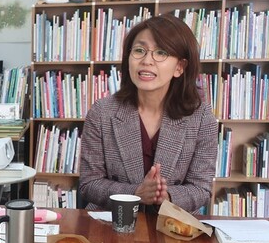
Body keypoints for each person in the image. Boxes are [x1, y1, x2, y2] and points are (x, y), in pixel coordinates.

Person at [79, 14, 217, 214]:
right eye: (139, 50)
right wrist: (135, 193)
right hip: (110, 221)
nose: (146, 61)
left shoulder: (202, 118)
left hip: (172, 223)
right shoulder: (102, 112)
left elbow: (201, 188)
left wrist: (166, 196)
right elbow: (89, 184)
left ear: (179, 67)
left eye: (161, 52)